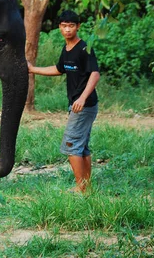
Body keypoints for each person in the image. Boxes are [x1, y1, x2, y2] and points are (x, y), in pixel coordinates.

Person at [28, 10, 100, 193]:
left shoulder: (85, 48)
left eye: (71, 26)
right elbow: (60, 69)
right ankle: (86, 187)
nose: (68, 29)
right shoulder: (66, 49)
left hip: (84, 104)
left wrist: (82, 98)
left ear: (78, 27)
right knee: (82, 147)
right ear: (59, 27)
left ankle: (80, 187)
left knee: (71, 145)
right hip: (78, 104)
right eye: (64, 26)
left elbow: (95, 73)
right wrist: (33, 69)